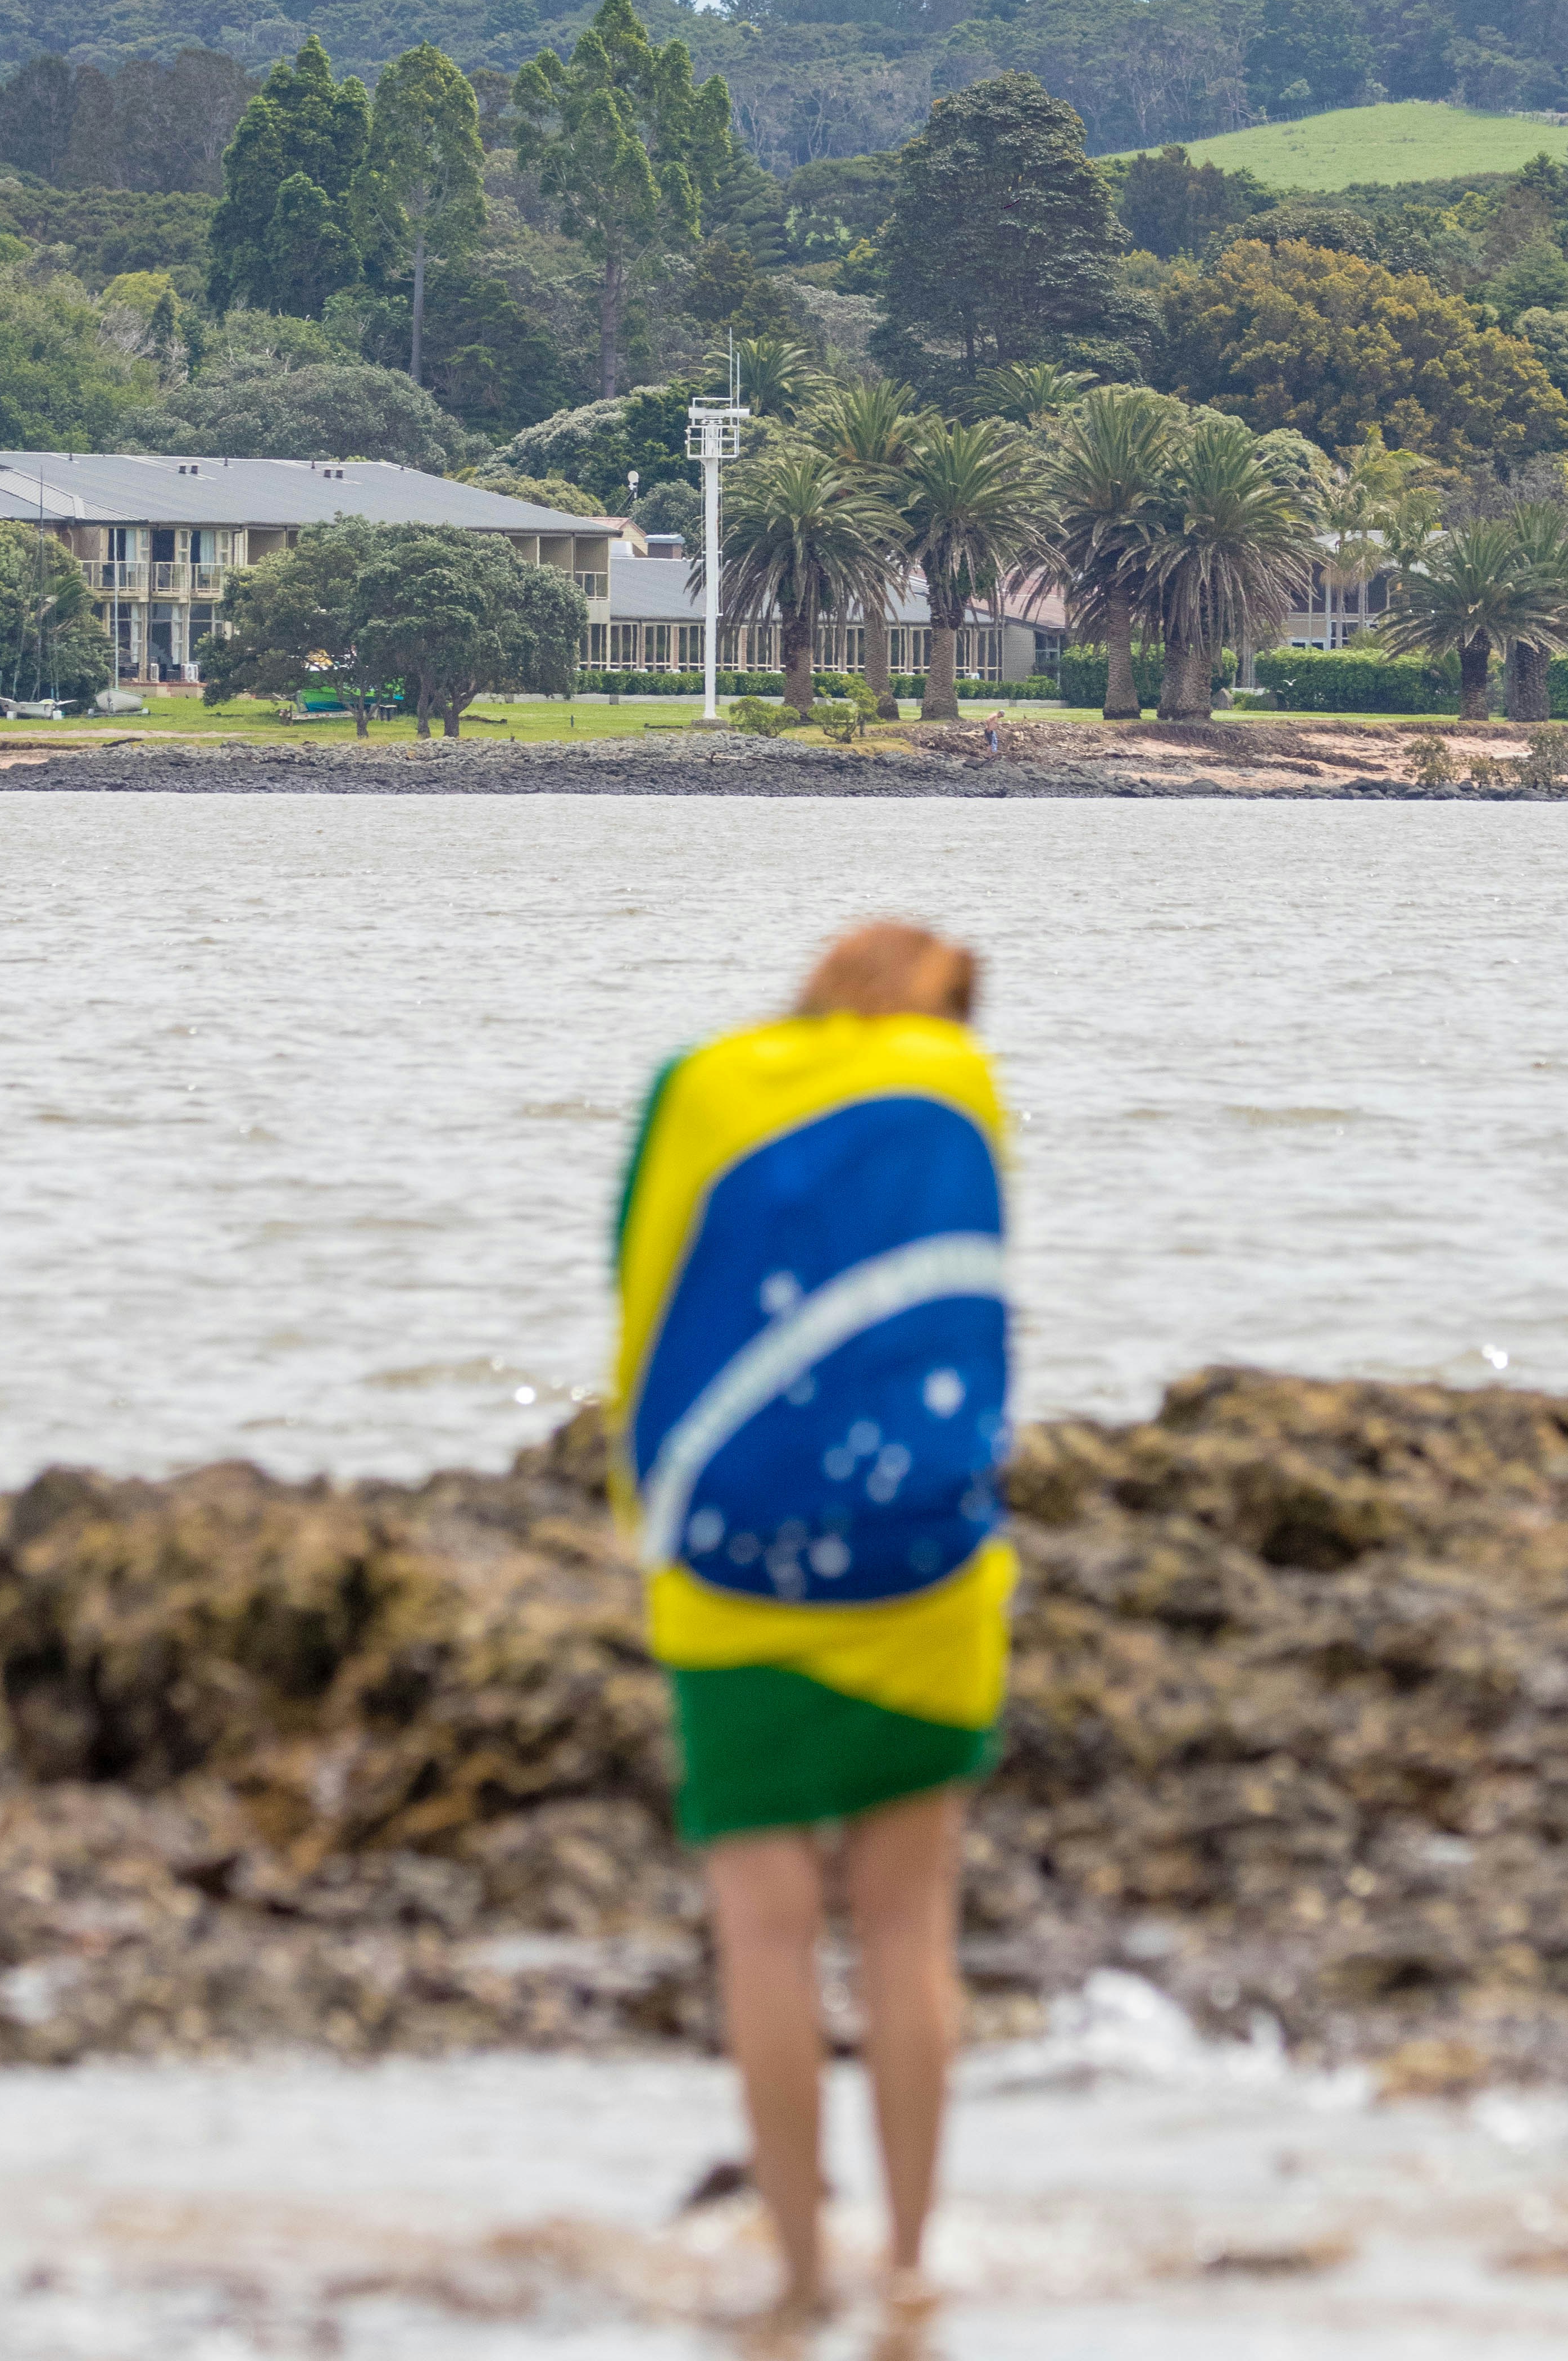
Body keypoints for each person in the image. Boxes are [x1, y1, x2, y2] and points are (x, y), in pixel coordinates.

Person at [609, 920, 1012, 2328]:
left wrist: (644, 1509)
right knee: (906, 1928)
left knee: (765, 1934)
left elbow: (641, 1293)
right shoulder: (957, 1084)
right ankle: (905, 2270)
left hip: (732, 1563)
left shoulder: (699, 1086)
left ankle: (793, 2278)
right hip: (922, 1558)